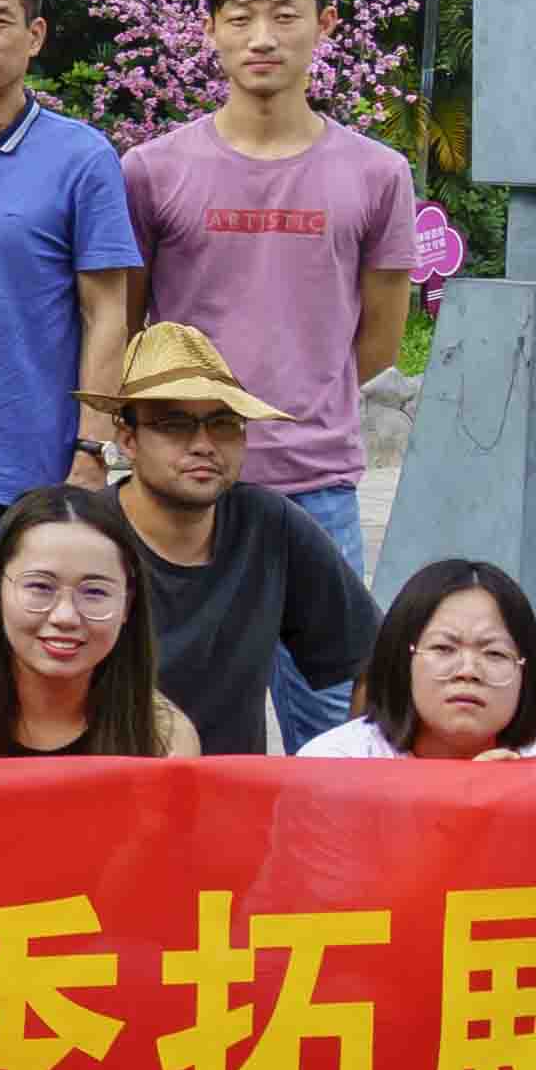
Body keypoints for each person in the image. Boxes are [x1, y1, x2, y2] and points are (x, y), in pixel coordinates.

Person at [122, 0, 425, 595]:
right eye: (239, 17)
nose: (262, 37)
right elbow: (122, 329)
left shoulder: (377, 174)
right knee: (171, 696)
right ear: (208, 30)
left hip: (316, 486)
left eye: (284, 15)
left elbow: (377, 343)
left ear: (325, 25)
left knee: (328, 696)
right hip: (182, 484)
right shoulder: (150, 172)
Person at [101, 322, 368, 761]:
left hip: (234, 807)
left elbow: (372, 660)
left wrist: (362, 769)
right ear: (128, 438)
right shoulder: (81, 530)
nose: (204, 444)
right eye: (175, 424)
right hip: (105, 800)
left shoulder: (269, 524)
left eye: (224, 424)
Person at [0, 487, 196, 763]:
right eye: (40, 587)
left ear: (127, 603)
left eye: (95, 592)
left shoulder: (163, 736)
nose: (65, 616)